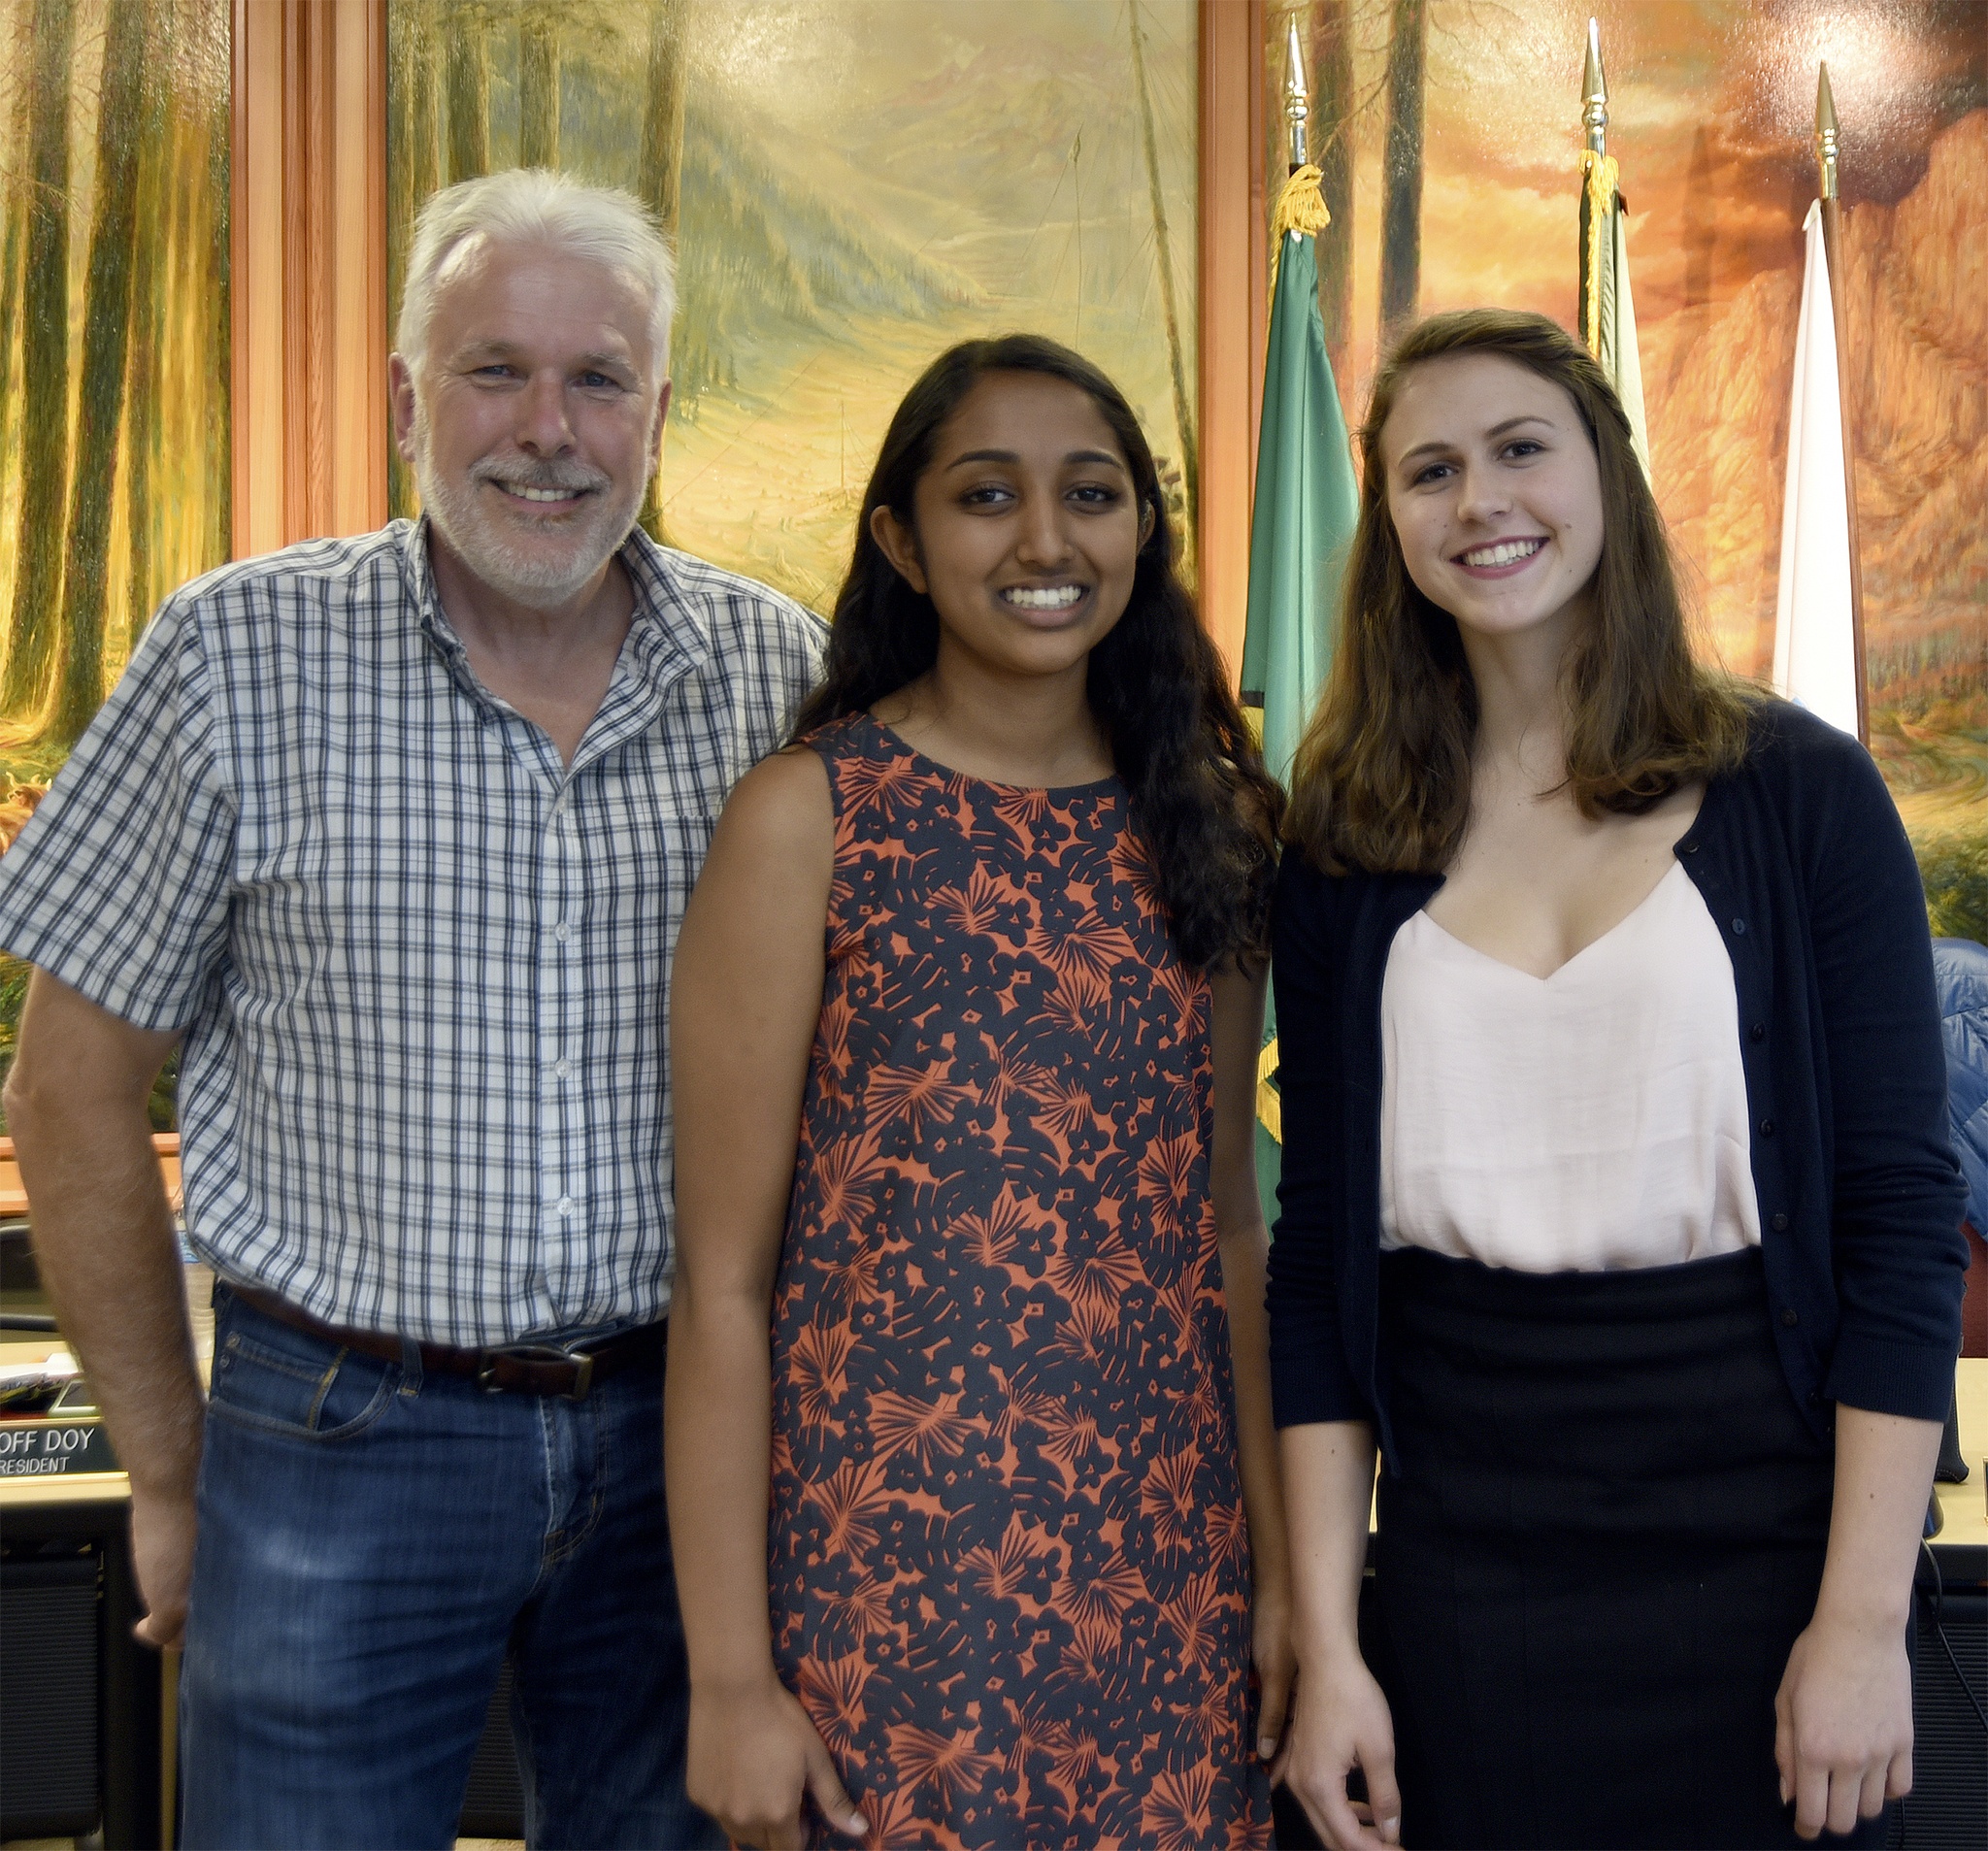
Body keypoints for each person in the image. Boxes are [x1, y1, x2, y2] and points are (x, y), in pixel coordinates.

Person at [0, 169, 821, 1849]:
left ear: (660, 412)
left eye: (599, 379)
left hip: (696, 1455)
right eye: (491, 369)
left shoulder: (774, 677)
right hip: (334, 1447)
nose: (549, 430)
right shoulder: (236, 656)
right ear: (402, 398)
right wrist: (167, 1475)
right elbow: (71, 1093)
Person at [1266, 309, 1968, 1851]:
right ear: (1386, 521)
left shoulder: (1801, 796)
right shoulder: (1343, 837)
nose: (1480, 502)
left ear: (1607, 475)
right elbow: (1316, 1271)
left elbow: (1902, 1226)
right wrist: (1332, 1651)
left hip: (1772, 1548)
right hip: (1469, 1565)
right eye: (1429, 470)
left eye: (1522, 449)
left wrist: (1859, 1628)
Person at [665, 334, 1291, 1850]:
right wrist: (732, 1678)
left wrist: (1285, 1583)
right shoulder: (809, 815)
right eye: (985, 496)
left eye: (1092, 494)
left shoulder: (1211, 826)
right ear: (902, 537)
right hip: (897, 1591)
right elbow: (724, 1291)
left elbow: (1227, 1233)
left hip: (1166, 1573)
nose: (1044, 542)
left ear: (1145, 529)